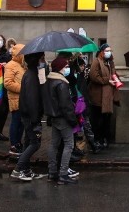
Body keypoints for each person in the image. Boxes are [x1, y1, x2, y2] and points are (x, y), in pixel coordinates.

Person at [43, 56, 79, 185]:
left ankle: (52, 172)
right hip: (63, 118)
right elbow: (65, 105)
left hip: (54, 117)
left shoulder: (49, 80)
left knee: (54, 144)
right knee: (69, 144)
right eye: (66, 66)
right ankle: (63, 174)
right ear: (60, 68)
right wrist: (73, 120)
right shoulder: (61, 83)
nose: (67, 69)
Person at [11, 51, 45, 181]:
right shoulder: (31, 76)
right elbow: (32, 99)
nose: (43, 61)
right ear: (36, 60)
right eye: (42, 58)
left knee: (28, 142)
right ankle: (18, 169)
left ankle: (26, 169)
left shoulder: (32, 74)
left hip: (28, 115)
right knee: (35, 143)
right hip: (31, 116)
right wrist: (35, 118)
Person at [88, 43, 117, 149]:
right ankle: (97, 139)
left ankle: (105, 138)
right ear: (102, 52)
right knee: (97, 120)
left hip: (108, 96)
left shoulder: (110, 62)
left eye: (110, 50)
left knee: (106, 119)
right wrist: (107, 81)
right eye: (107, 50)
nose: (109, 52)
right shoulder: (96, 61)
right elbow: (94, 76)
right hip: (98, 96)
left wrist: (115, 78)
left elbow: (113, 73)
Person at [3, 43, 26, 156]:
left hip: (23, 99)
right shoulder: (11, 65)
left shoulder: (22, 65)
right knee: (16, 122)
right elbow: (7, 83)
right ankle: (13, 145)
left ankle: (18, 143)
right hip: (15, 99)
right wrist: (23, 89)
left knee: (21, 123)